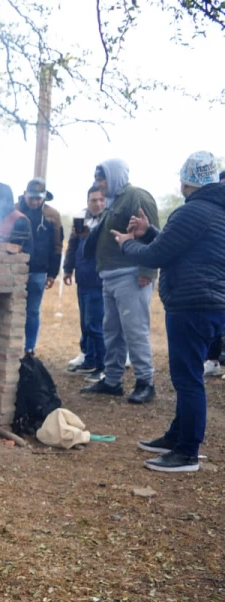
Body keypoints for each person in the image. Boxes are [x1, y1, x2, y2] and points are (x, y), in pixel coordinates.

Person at [113, 151, 225, 472]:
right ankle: (177, 436)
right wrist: (149, 230)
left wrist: (126, 243)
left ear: (186, 180)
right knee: (187, 375)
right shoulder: (216, 211)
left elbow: (157, 255)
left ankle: (187, 452)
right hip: (210, 304)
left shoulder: (193, 211)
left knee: (187, 379)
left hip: (192, 305)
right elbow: (177, 246)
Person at [81, 159, 160, 404]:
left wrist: (148, 270)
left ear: (114, 176)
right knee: (112, 331)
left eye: (102, 178)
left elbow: (154, 236)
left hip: (132, 275)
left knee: (135, 331)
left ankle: (145, 382)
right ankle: (112, 381)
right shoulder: (113, 202)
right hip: (111, 277)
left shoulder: (137, 196)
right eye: (97, 179)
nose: (98, 184)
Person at [62, 186, 108, 380]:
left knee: (95, 325)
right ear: (87, 202)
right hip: (83, 278)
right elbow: (72, 246)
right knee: (85, 324)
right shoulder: (82, 220)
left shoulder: (109, 220)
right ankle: (89, 360)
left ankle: (103, 367)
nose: (98, 204)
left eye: (101, 200)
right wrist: (68, 268)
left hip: (99, 280)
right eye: (93, 200)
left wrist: (89, 235)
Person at [16, 178, 64, 354]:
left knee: (33, 311)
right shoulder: (15, 211)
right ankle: (12, 346)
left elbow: (57, 245)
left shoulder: (53, 215)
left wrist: (52, 273)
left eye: (38, 198)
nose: (35, 202)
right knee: (13, 309)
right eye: (31, 198)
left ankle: (29, 348)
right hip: (15, 269)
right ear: (25, 195)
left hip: (38, 270)